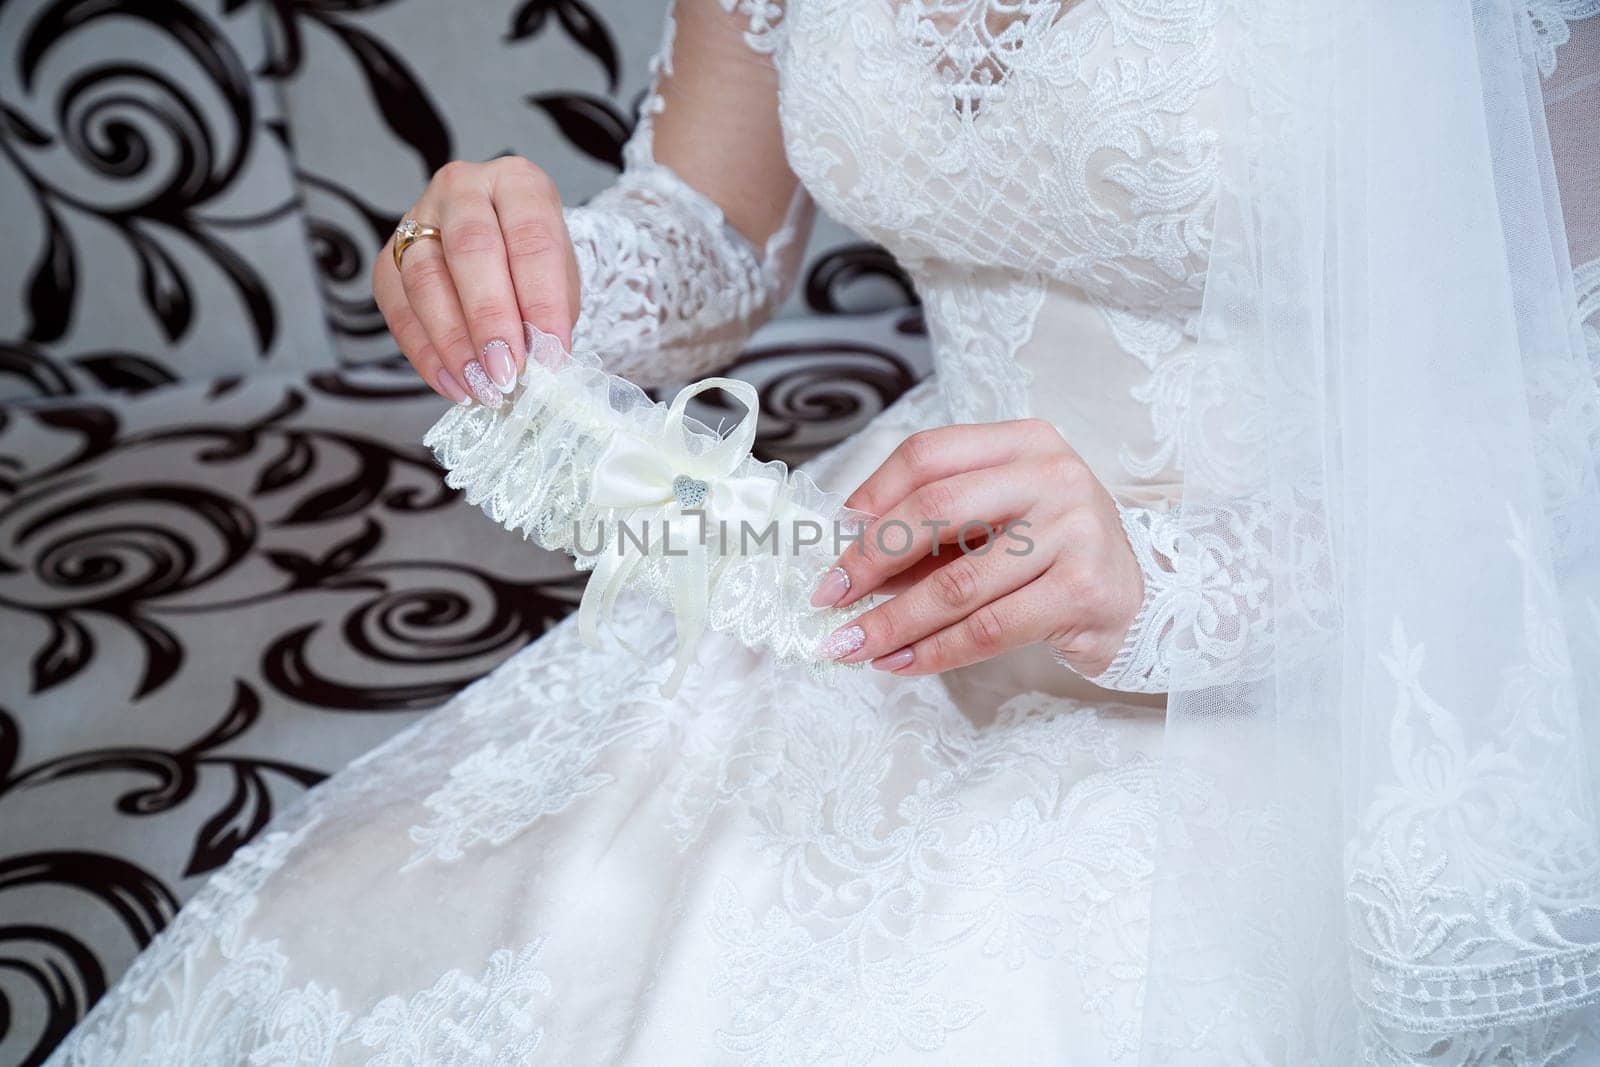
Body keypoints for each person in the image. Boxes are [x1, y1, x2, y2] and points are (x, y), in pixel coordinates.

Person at [46, 1, 1600, 1063]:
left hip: (1353, 625)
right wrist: (536, 265)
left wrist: (1180, 578)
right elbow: (713, 232)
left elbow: (1559, 401)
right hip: (880, 580)